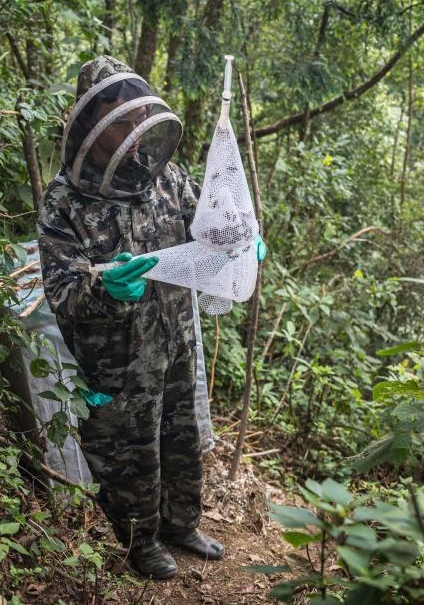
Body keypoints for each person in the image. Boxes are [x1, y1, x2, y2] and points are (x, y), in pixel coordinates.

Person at [36, 55, 265, 579]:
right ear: (91, 126)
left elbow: (205, 227)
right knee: (129, 451)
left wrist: (239, 243)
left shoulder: (165, 177)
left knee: (182, 437)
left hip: (176, 338)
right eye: (119, 123)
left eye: (136, 121)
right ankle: (140, 544)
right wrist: (104, 286)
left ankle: (182, 524)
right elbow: (63, 292)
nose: (134, 136)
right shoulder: (63, 203)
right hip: (114, 359)